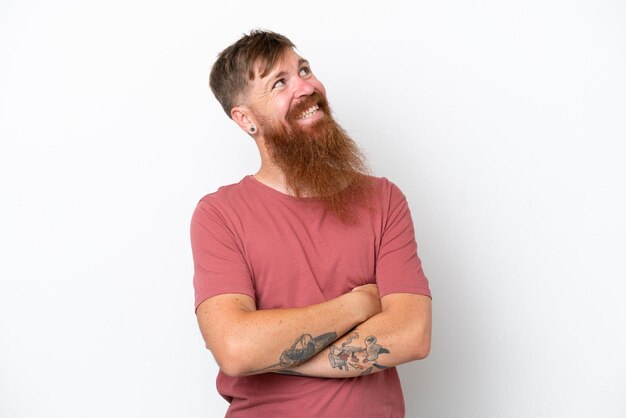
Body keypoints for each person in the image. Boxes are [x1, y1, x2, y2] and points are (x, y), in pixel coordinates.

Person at [191, 30, 432, 418]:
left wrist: (275, 356)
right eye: (279, 83)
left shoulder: (383, 199)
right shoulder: (220, 214)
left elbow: (412, 335)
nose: (305, 86)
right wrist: (359, 304)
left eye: (303, 69)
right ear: (245, 119)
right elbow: (236, 349)